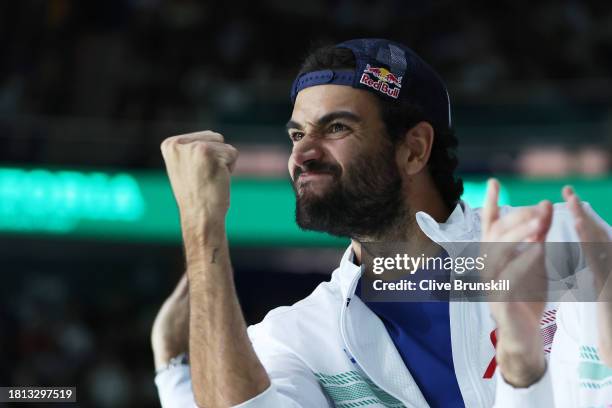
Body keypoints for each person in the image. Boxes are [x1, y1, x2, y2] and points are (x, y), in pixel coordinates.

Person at [151, 38, 611, 407]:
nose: (302, 154)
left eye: (336, 128)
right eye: (297, 133)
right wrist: (202, 223)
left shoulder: (548, 243)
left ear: (414, 149)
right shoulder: (301, 335)